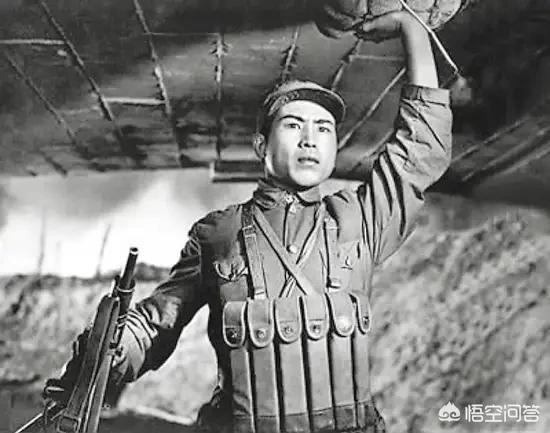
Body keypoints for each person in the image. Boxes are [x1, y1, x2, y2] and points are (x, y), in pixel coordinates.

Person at [44, 10, 452, 433]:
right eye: (293, 125)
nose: (310, 140)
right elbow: (156, 324)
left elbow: (421, 148)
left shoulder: (360, 220)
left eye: (324, 129)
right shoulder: (217, 235)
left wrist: (413, 29)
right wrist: (111, 347)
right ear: (261, 146)